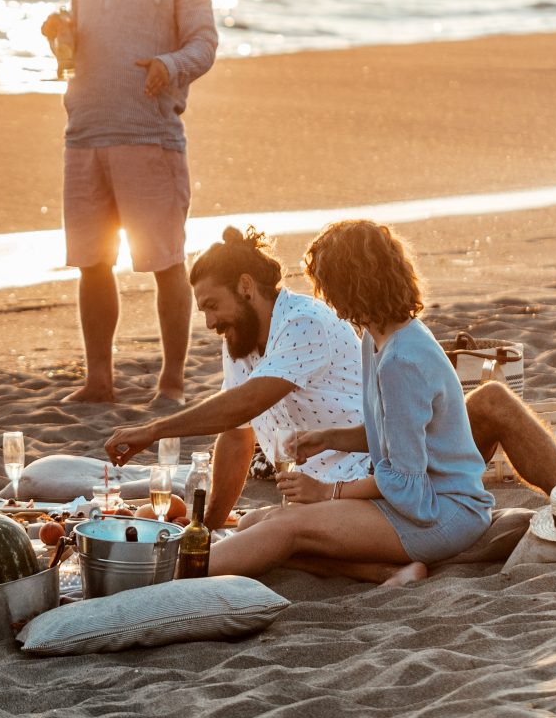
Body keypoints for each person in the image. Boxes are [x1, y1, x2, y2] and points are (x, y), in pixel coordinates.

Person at [208, 219, 494, 587]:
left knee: (286, 526)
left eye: (326, 283)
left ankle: (174, 573)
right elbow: (392, 436)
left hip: (443, 514)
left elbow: (406, 483)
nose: (324, 296)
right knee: (254, 523)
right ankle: (386, 573)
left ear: (350, 284)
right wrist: (329, 438)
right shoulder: (376, 340)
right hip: (422, 503)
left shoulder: (400, 361)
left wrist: (328, 492)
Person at [42, 0, 217, 407]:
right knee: (92, 263)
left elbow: (204, 43)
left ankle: (171, 381)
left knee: (164, 261)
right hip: (86, 130)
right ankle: (99, 380)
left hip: (150, 133)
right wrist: (62, 34)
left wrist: (170, 65)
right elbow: (82, 45)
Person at [103, 226, 363, 530]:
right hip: (305, 493)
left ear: (245, 286)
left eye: (212, 306)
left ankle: (383, 568)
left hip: (358, 482)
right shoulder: (240, 338)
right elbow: (237, 435)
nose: (210, 322)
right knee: (248, 525)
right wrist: (204, 530)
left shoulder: (304, 322)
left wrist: (153, 431)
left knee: (266, 532)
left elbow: (243, 405)